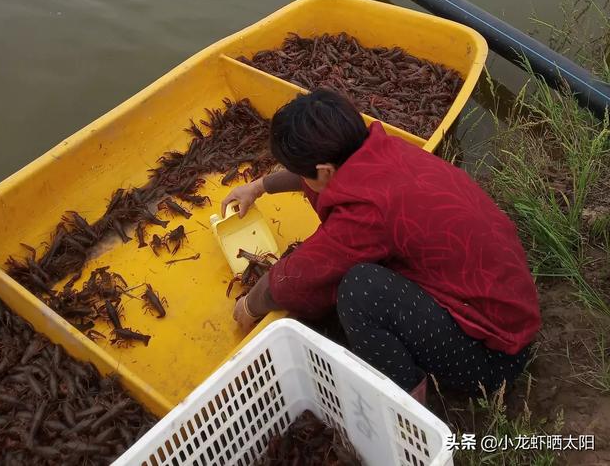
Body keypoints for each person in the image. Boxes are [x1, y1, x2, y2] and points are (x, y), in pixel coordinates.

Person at [222, 88, 541, 399]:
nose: (301, 179)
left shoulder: (367, 212)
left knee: (359, 289)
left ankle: (408, 406)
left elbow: (301, 275)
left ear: (324, 170)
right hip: (512, 310)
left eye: (302, 173)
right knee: (362, 270)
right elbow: (323, 176)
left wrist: (251, 304)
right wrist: (260, 186)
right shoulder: (386, 152)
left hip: (492, 356)